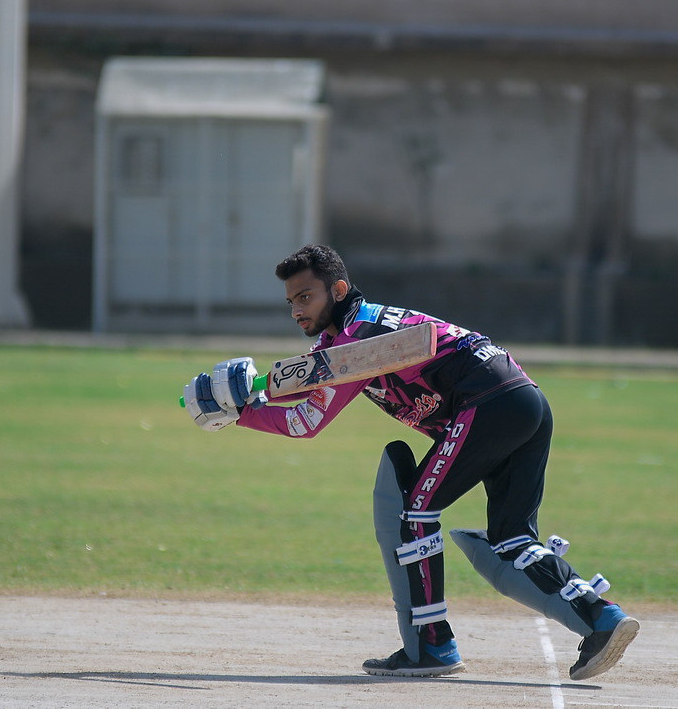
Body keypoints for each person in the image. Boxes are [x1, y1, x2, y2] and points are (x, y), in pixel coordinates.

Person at [183, 244, 639, 679]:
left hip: (487, 402)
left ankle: (431, 646)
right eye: (291, 301)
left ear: (338, 290)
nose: (296, 310)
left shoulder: (357, 337)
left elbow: (305, 421)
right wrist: (250, 392)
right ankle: (602, 619)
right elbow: (307, 380)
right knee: (512, 539)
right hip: (524, 400)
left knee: (411, 513)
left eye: (306, 297)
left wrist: (240, 414)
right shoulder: (350, 337)